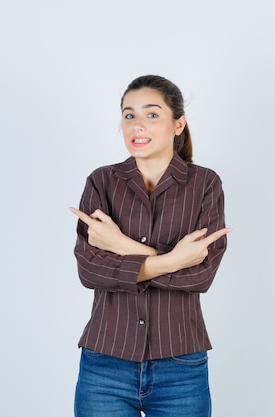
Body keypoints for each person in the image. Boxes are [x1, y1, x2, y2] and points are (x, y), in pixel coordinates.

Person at [69, 74, 230, 417]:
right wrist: (173, 260)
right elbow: (90, 269)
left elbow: (200, 276)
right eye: (129, 115)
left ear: (178, 124)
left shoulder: (205, 184)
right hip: (105, 364)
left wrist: (119, 244)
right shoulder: (101, 182)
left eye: (152, 114)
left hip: (181, 366)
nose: (137, 124)